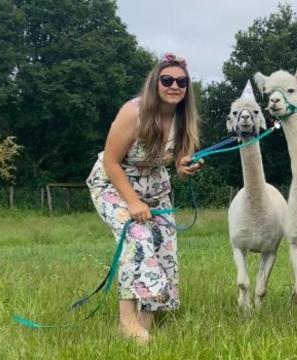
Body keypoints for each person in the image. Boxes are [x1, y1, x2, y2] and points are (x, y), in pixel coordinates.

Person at [86, 53, 203, 344]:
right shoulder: (134, 112)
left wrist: (184, 167)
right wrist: (133, 203)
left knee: (164, 246)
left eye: (181, 81)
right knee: (137, 239)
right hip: (114, 184)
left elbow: (175, 161)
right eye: (167, 80)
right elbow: (112, 161)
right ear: (155, 82)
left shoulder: (183, 118)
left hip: (155, 187)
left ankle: (144, 322)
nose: (174, 86)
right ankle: (126, 322)